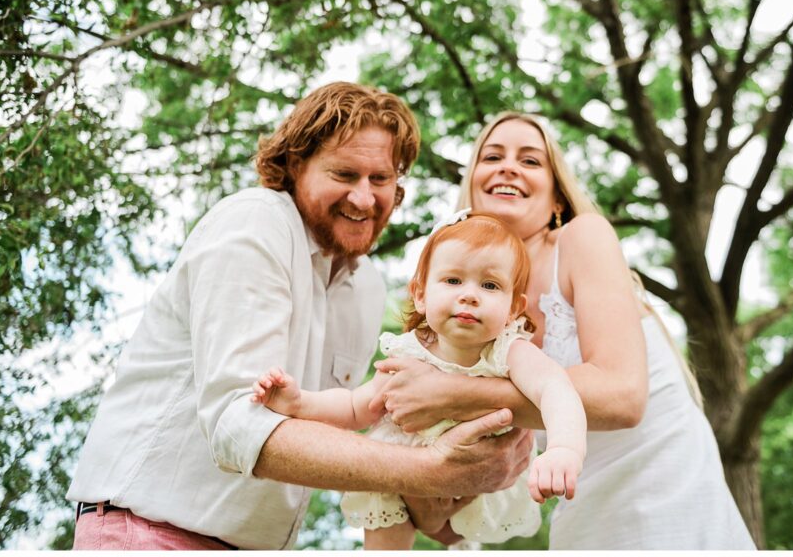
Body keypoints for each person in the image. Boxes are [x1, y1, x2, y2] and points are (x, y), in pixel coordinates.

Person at [65, 84, 534, 550]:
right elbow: (238, 426)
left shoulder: (367, 285)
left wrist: (455, 481)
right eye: (345, 174)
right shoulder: (255, 223)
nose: (365, 199)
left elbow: (356, 428)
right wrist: (432, 468)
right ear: (295, 165)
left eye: (381, 179)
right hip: (150, 532)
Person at [371, 112, 756, 549]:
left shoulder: (581, 238)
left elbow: (623, 395)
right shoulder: (466, 320)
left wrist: (452, 393)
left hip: (668, 496)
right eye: (492, 156)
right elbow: (447, 519)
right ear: (473, 191)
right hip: (580, 510)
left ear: (557, 199)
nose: (508, 167)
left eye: (531, 161)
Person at [251, 212, 586, 549]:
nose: (470, 295)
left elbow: (555, 388)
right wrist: (299, 402)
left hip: (479, 473)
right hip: (398, 474)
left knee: (464, 544)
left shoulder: (509, 351)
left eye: (490, 285)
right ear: (421, 294)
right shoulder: (410, 354)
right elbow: (356, 407)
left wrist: (564, 448)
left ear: (514, 307)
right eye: (453, 281)